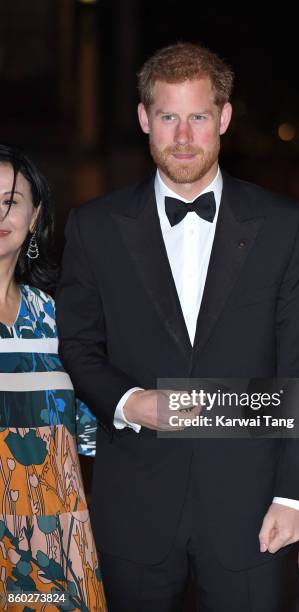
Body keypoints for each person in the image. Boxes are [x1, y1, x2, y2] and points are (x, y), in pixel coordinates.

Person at [56, 42, 299, 612]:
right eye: (167, 117)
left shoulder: (283, 226)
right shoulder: (95, 227)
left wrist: (294, 496)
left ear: (223, 118)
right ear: (143, 119)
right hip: (134, 506)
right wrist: (129, 402)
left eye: (198, 116)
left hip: (253, 510)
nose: (182, 136)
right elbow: (79, 346)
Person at [0, 145, 106, 611]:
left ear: (35, 214)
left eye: (12, 200)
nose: (0, 213)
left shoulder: (53, 316)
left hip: (55, 533)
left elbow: (91, 431)